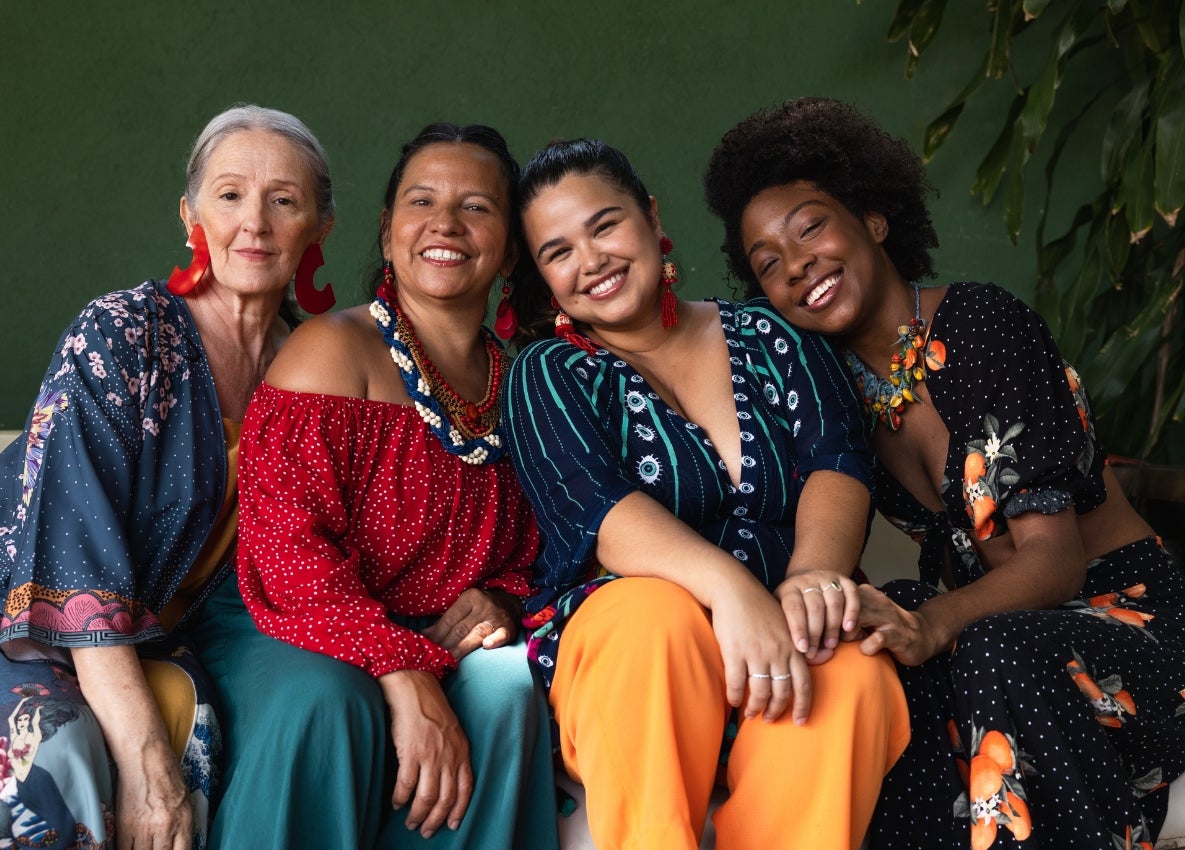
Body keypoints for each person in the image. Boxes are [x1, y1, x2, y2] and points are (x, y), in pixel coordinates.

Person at [703, 96, 1185, 849]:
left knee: (975, 641)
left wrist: (929, 624)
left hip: (1127, 625)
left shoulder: (980, 326)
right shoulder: (834, 398)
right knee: (873, 636)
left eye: (811, 227)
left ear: (872, 219)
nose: (798, 265)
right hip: (999, 648)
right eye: (769, 264)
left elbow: (1053, 564)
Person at [501, 138, 909, 850]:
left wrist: (812, 577)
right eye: (557, 251)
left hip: (786, 622)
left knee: (850, 668)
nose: (591, 260)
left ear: (648, 215)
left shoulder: (771, 332)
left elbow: (834, 461)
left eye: (604, 226)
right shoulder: (550, 372)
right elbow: (601, 514)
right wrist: (734, 594)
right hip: (636, 648)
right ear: (541, 275)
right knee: (648, 614)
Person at [0, 104, 336, 850]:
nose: (254, 222)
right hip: (29, 622)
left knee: (206, 736)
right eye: (229, 195)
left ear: (318, 227)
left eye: (283, 200)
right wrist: (145, 759)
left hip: (169, 640)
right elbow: (68, 560)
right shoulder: (123, 333)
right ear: (191, 215)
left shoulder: (321, 366)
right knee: (59, 758)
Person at [231, 122, 559, 850]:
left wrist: (500, 599)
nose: (445, 223)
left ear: (508, 247)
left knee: (507, 689)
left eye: (476, 207)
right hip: (301, 616)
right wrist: (398, 664)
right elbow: (286, 549)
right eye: (422, 201)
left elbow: (550, 545)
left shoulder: (523, 385)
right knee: (331, 701)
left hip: (439, 631)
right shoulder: (332, 351)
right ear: (387, 234)